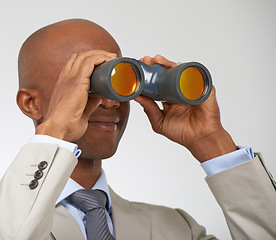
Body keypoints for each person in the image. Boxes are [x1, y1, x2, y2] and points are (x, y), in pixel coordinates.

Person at [0, 18, 275, 240]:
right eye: (86, 84)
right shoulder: (8, 219)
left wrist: (212, 142)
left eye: (117, 81)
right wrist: (56, 129)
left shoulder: (177, 229)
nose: (109, 101)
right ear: (30, 103)